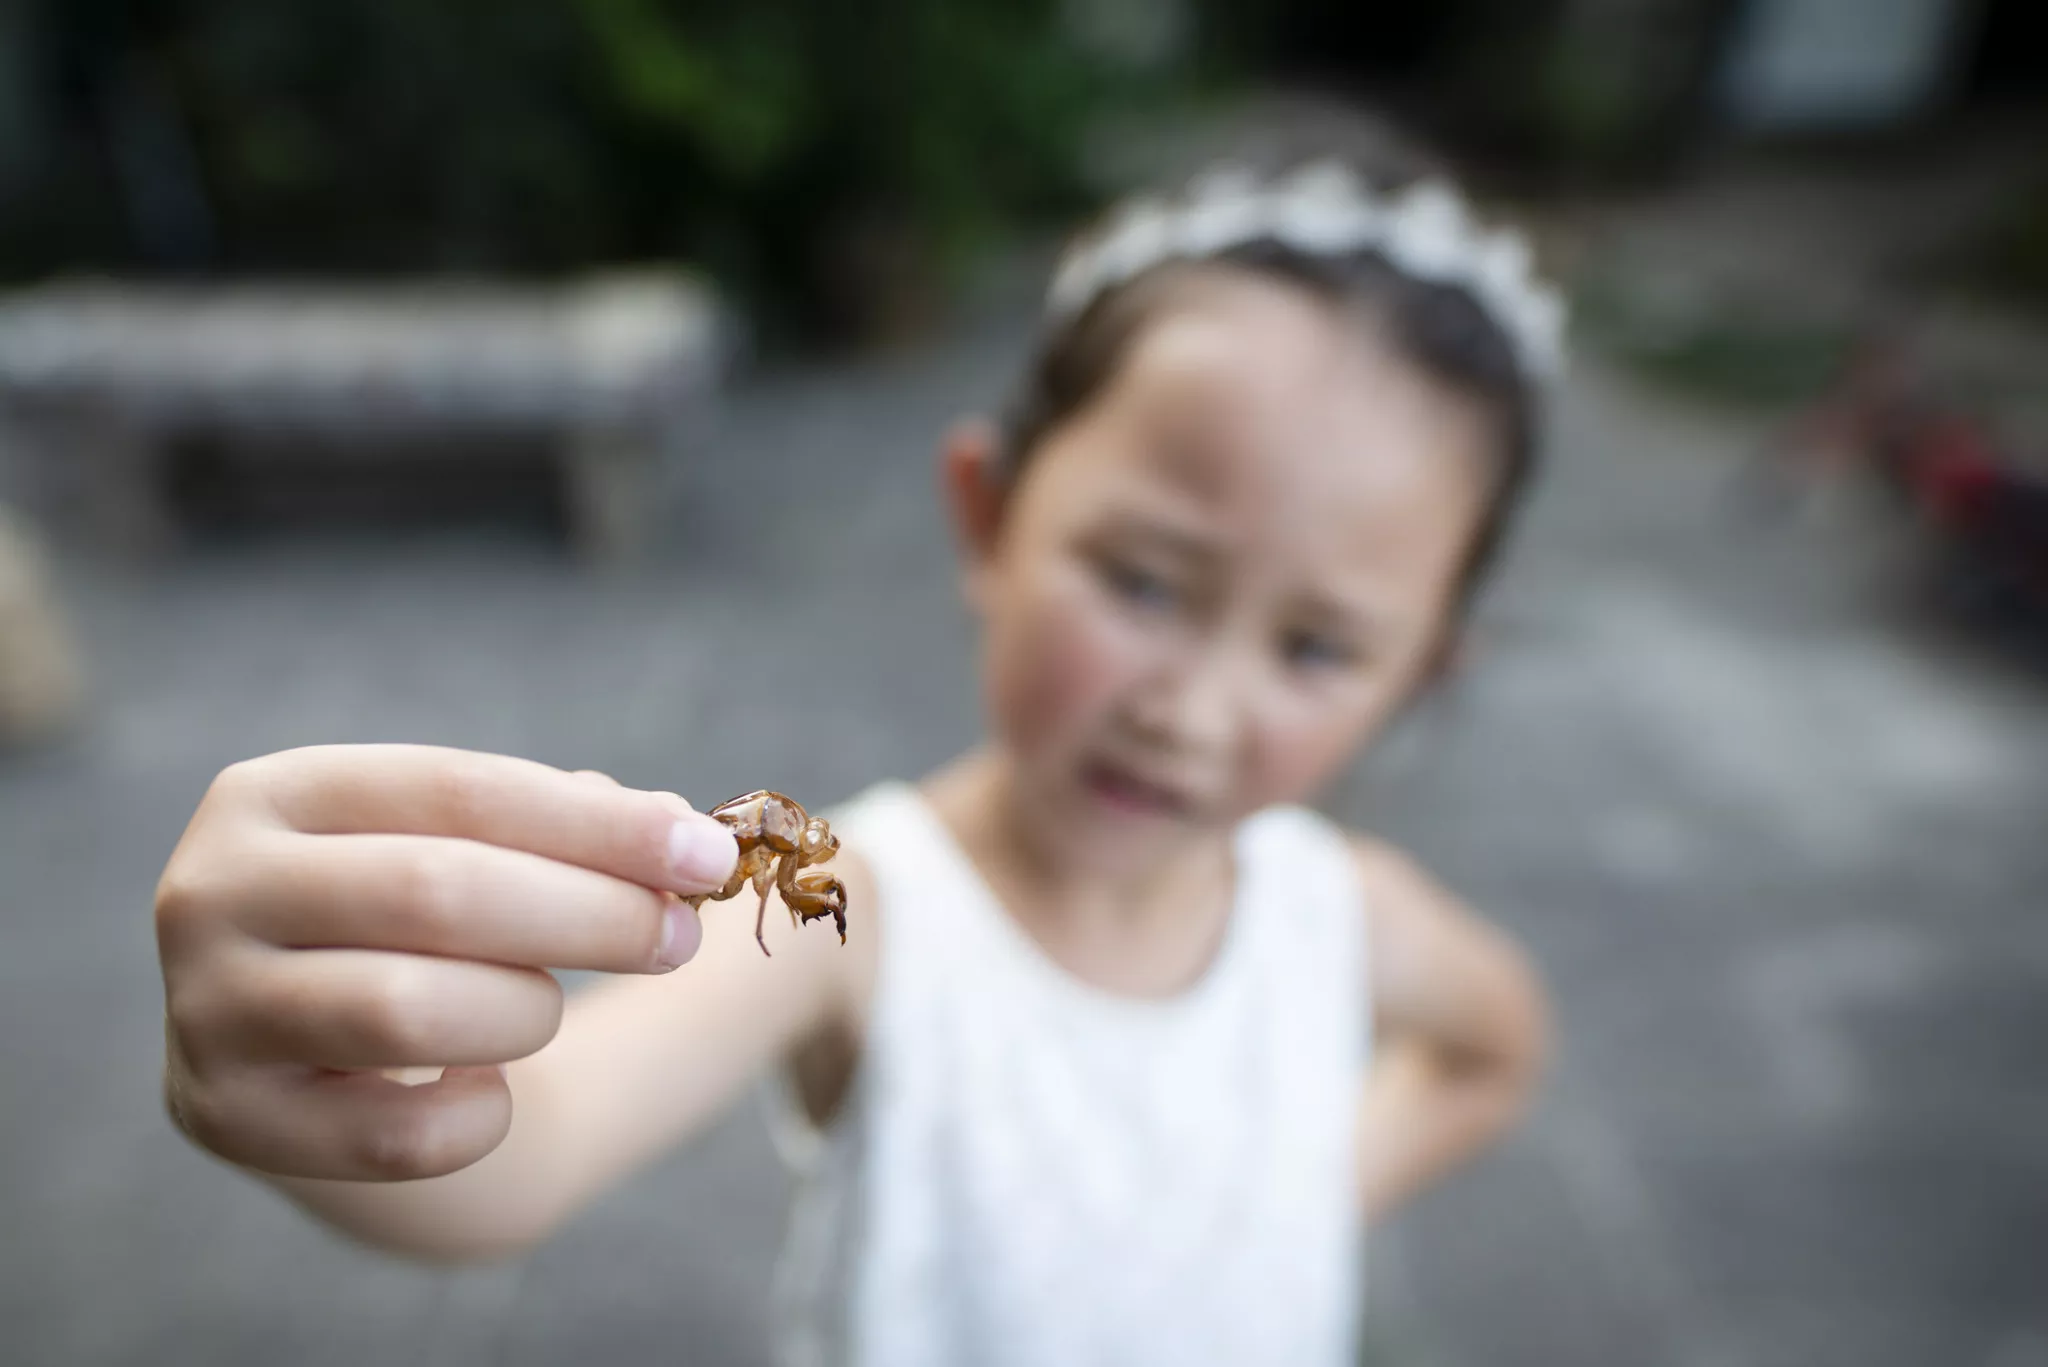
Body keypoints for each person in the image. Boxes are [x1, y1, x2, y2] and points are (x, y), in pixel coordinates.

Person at [152, 134, 1562, 1367]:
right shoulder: (865, 914)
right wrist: (319, 1082)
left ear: (1424, 668)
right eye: (1142, 580)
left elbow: (1497, 1048)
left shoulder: (1347, 912)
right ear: (988, 517)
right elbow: (527, 1152)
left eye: (1316, 647)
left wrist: (1299, 1203)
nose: (1190, 708)